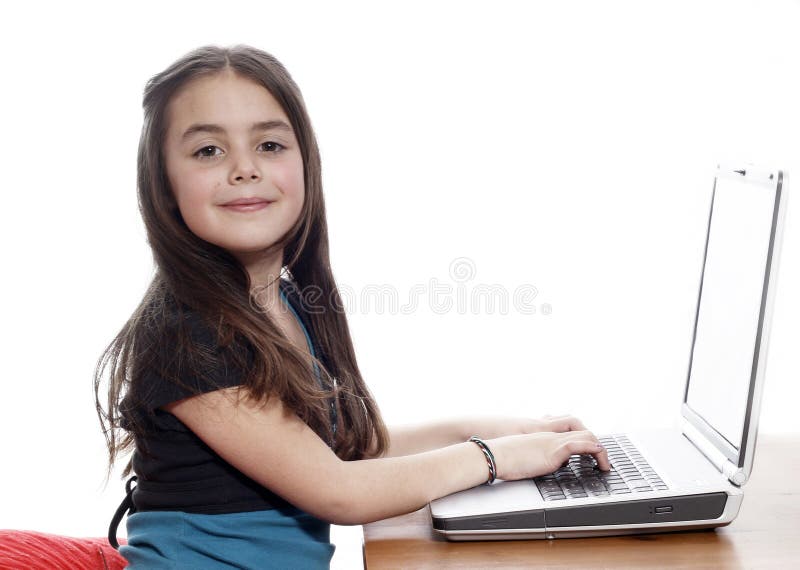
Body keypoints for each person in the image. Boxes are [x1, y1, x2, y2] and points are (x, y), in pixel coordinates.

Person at [94, 44, 611, 569]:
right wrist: (493, 459)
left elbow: (344, 450)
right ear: (163, 185)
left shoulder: (283, 301)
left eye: (270, 144)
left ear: (306, 164)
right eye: (208, 151)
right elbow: (339, 490)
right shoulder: (187, 335)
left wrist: (490, 431)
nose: (245, 169)